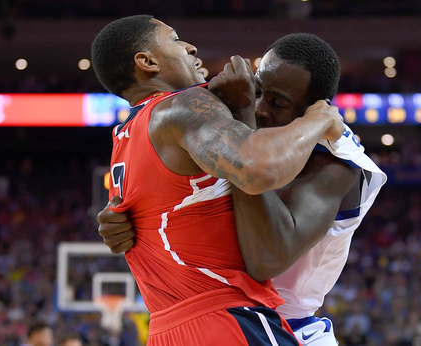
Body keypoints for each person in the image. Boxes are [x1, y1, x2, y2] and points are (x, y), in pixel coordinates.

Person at [98, 32, 387, 345]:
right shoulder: (238, 130)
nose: (260, 107)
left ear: (312, 112)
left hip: (289, 329)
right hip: (224, 317)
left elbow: (266, 258)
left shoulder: (335, 162)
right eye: (258, 90)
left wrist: (244, 115)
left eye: (277, 102)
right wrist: (131, 219)